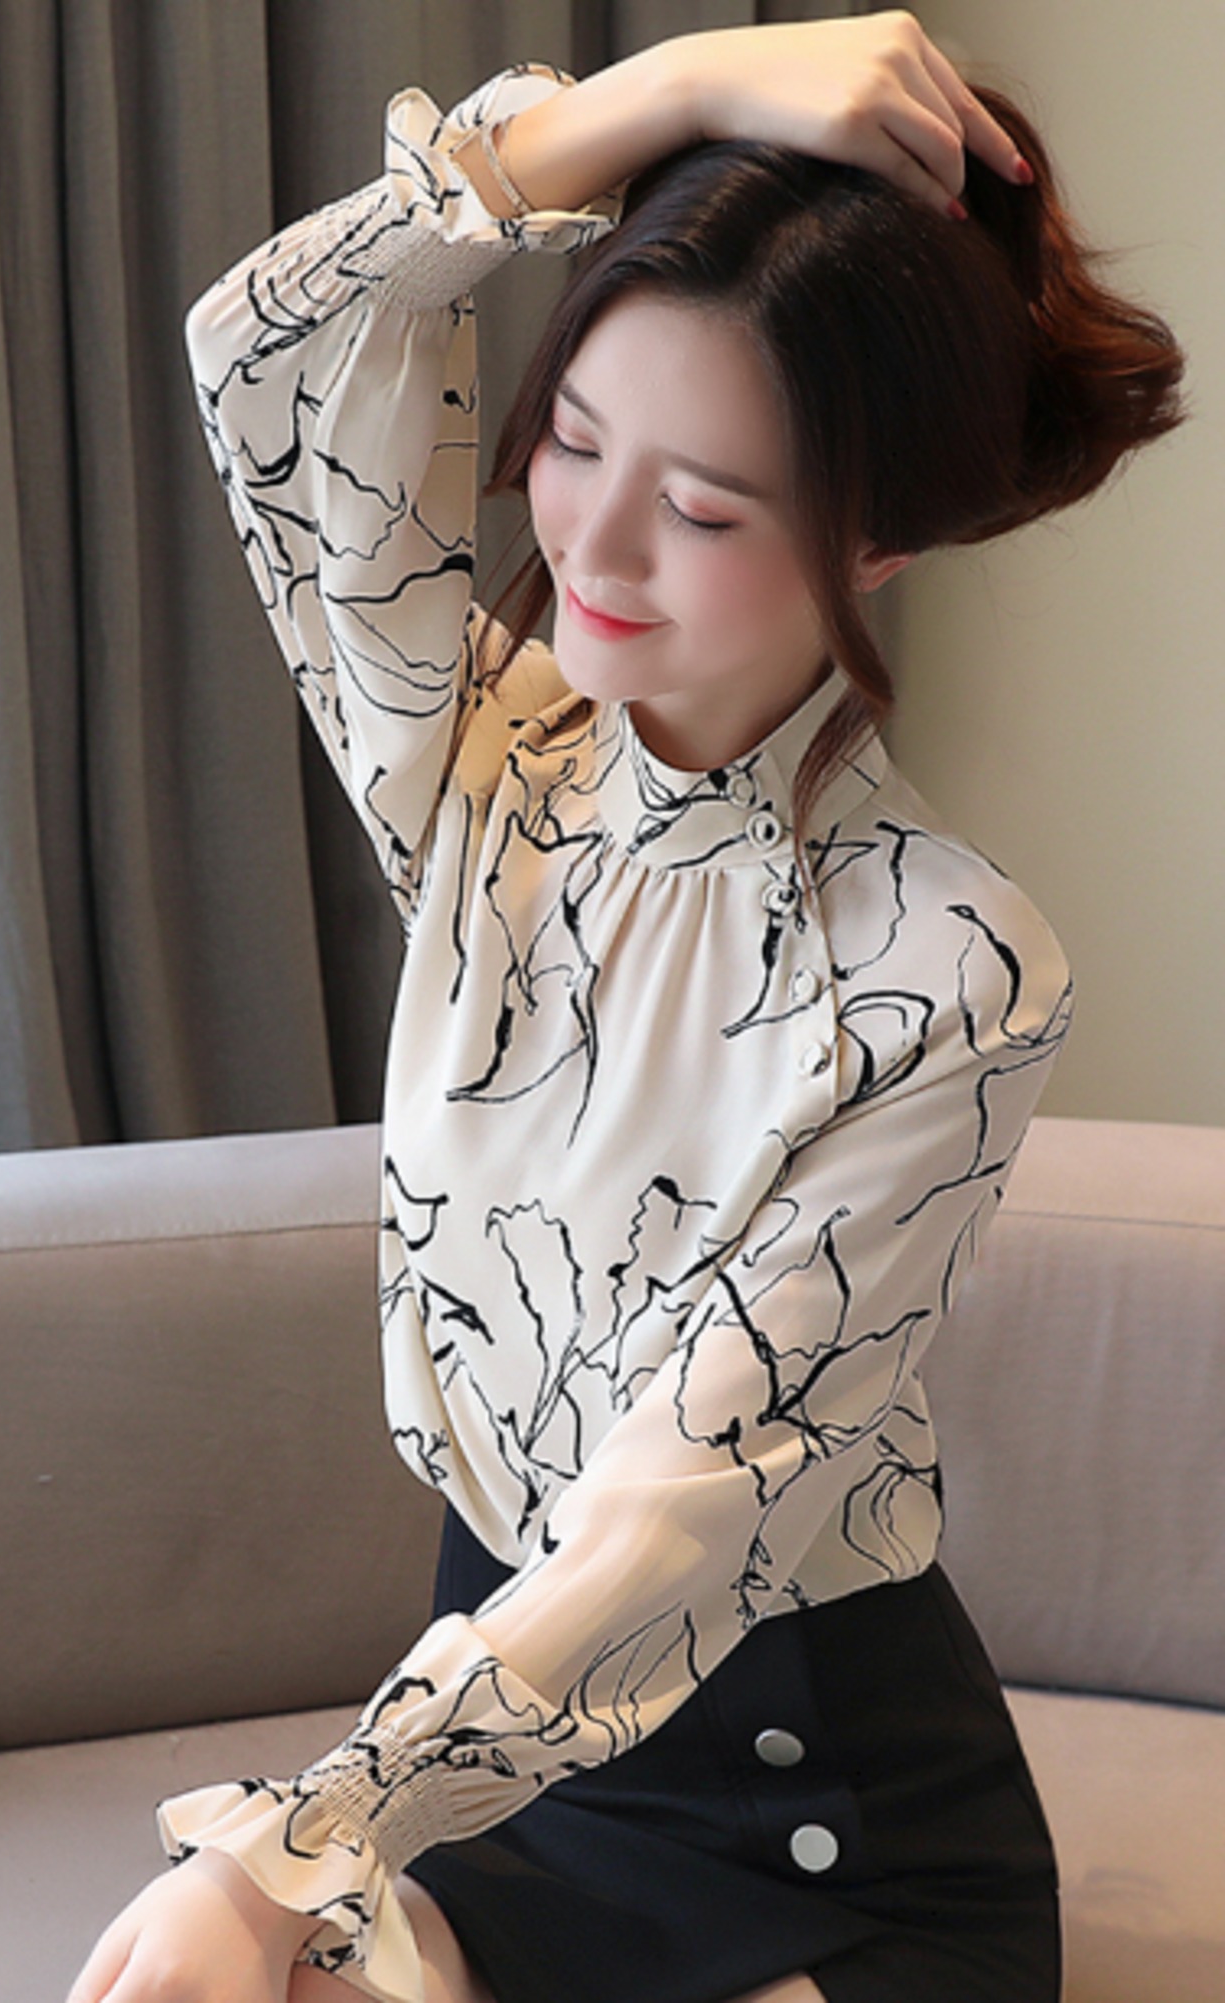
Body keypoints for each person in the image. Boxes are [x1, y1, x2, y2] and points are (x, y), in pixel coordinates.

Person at [66, 15, 1183, 2003]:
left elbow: (677, 1523)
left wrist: (290, 1849)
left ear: (877, 541)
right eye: (575, 439)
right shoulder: (484, 766)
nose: (587, 541)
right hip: (510, 1772)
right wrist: (648, 100)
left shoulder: (950, 966)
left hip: (820, 1807)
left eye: (708, 508)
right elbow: (260, 361)